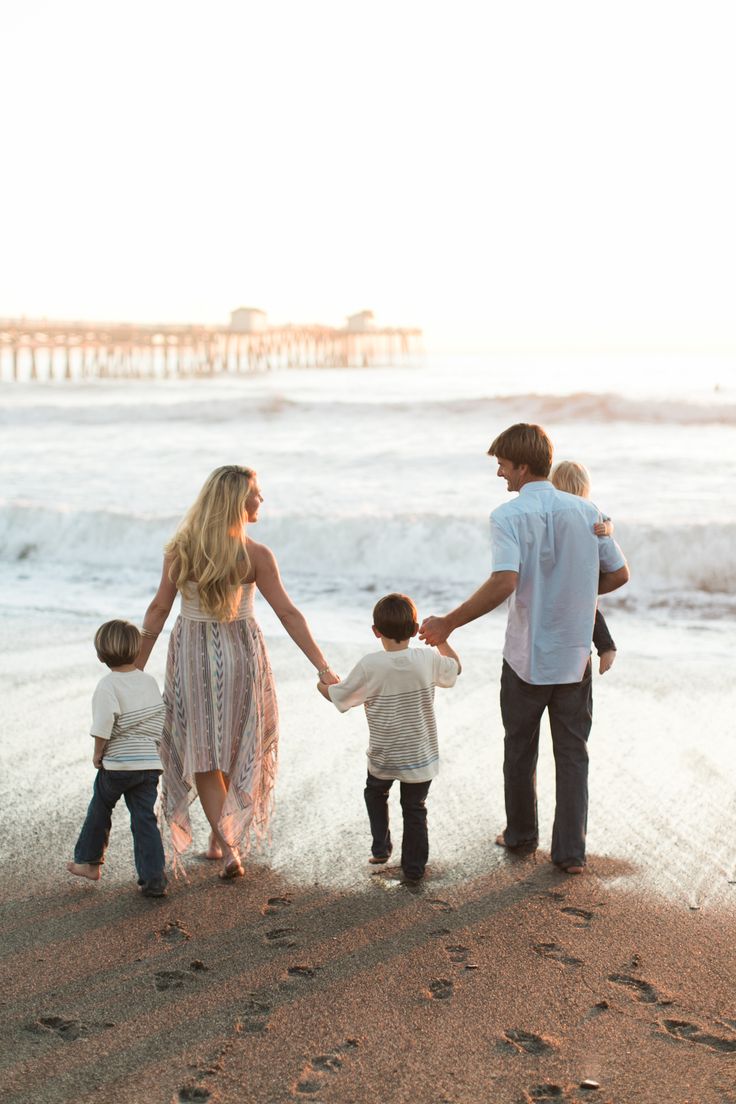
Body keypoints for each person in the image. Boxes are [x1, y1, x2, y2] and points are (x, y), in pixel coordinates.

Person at [420, 424, 629, 875]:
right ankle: (570, 854)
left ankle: (520, 838)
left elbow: (504, 582)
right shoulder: (587, 510)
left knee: (520, 749)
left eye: (502, 465)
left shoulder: (508, 516)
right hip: (574, 657)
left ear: (523, 465)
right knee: (573, 754)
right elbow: (619, 575)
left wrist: (447, 623)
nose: (499, 474)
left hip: (525, 658)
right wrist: (573, 593)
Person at [137, 465, 338, 879]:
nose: (260, 500)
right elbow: (288, 612)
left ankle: (224, 845)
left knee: (206, 752)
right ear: (235, 502)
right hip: (240, 653)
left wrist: (134, 668)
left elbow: (158, 608)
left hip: (193, 653)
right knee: (232, 741)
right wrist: (322, 666)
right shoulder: (256, 555)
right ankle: (226, 841)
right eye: (255, 494)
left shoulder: (181, 549)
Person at [318, 593, 460, 884]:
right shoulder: (426, 658)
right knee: (415, 809)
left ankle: (381, 847)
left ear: (376, 631)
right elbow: (455, 668)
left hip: (385, 755)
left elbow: (342, 697)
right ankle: (414, 869)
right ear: (414, 628)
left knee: (375, 793)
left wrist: (323, 685)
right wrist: (440, 640)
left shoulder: (370, 665)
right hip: (420, 756)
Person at [66, 619, 167, 897]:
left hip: (118, 765)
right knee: (145, 819)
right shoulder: (148, 681)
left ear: (100, 655)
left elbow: (103, 723)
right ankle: (154, 878)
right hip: (148, 765)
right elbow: (159, 716)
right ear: (136, 651)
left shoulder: (107, 685)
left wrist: (98, 753)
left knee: (100, 808)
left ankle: (89, 863)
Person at [550, 460, 617, 675]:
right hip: (575, 572)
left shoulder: (590, 511)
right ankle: (604, 648)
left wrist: (606, 528)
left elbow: (609, 522)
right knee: (586, 609)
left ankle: (606, 647)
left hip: (583, 571)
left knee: (588, 609)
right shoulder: (559, 512)